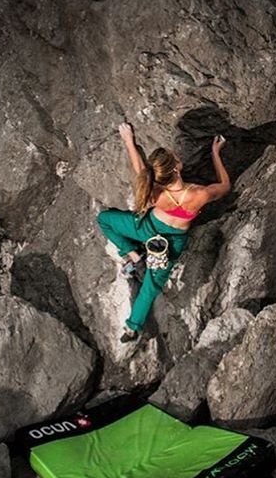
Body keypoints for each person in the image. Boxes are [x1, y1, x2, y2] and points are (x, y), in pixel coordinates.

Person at [96, 122, 232, 343]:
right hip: (171, 244)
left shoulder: (155, 192)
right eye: (175, 157)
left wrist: (129, 140)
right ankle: (132, 328)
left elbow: (140, 170)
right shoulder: (200, 194)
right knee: (151, 286)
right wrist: (215, 153)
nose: (178, 156)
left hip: (147, 229)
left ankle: (133, 253)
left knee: (105, 219)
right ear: (177, 169)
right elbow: (225, 185)